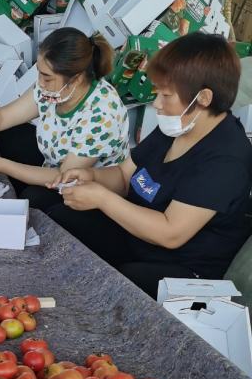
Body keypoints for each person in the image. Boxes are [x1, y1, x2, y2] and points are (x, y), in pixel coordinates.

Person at [46, 33, 252, 298]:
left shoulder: (226, 160)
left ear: (203, 98)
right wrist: (91, 175)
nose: (157, 104)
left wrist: (101, 198)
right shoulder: (178, 126)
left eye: (166, 95)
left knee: (124, 283)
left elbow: (170, 233)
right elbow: (123, 175)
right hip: (137, 238)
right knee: (61, 215)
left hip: (182, 268)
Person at [0, 29, 130, 211]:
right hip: (52, 162)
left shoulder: (102, 115)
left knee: (33, 200)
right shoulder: (54, 89)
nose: (40, 83)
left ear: (75, 79)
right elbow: (2, 117)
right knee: (8, 133)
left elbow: (63, 177)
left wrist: (2, 165)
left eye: (47, 77)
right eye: (39, 73)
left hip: (80, 189)